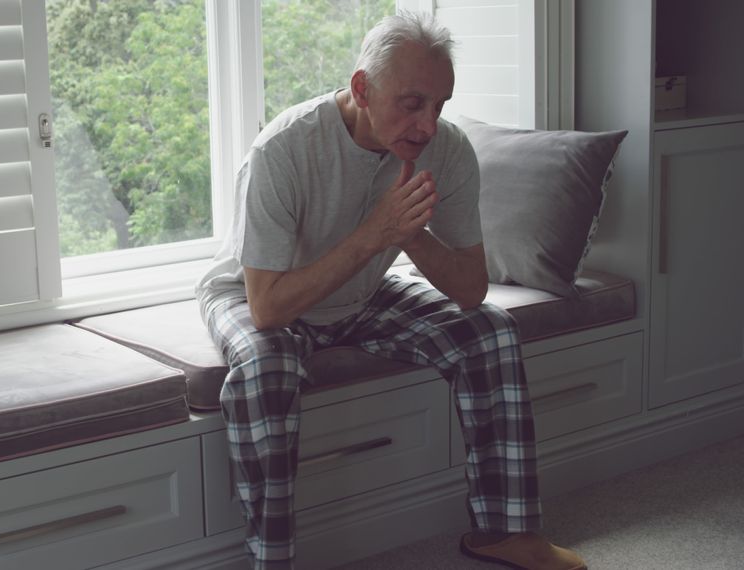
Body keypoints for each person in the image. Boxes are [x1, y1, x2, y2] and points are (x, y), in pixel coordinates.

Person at [195, 11, 587, 570]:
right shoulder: (282, 149)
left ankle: (507, 533)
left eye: (439, 105)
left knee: (490, 331)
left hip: (365, 287)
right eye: (412, 103)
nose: (427, 124)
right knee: (266, 368)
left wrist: (409, 235)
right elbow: (267, 306)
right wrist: (374, 235)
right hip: (257, 293)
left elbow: (472, 290)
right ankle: (270, 559)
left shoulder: (447, 150)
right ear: (362, 87)